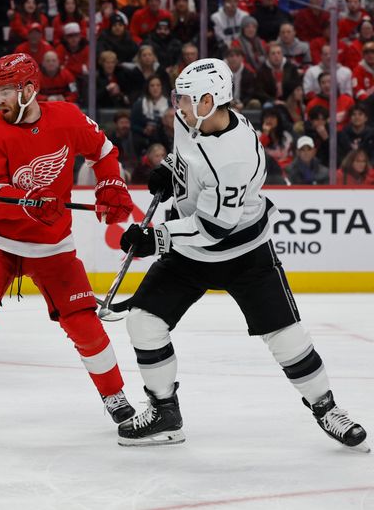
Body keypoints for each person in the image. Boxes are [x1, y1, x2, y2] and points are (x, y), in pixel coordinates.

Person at [114, 58, 368, 451]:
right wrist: (170, 167)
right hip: (190, 254)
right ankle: (165, 412)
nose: (177, 106)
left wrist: (156, 238)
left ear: (209, 100)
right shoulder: (192, 118)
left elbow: (215, 228)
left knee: (288, 339)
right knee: (144, 323)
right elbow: (186, 152)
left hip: (243, 251)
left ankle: (326, 407)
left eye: (184, 99)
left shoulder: (234, 156)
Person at [0, 53, 136, 432]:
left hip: (51, 243)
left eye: (4, 91)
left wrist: (110, 182)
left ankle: (114, 394)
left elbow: (104, 151)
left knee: (84, 323)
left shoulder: (68, 118)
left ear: (28, 90)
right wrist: (26, 203)